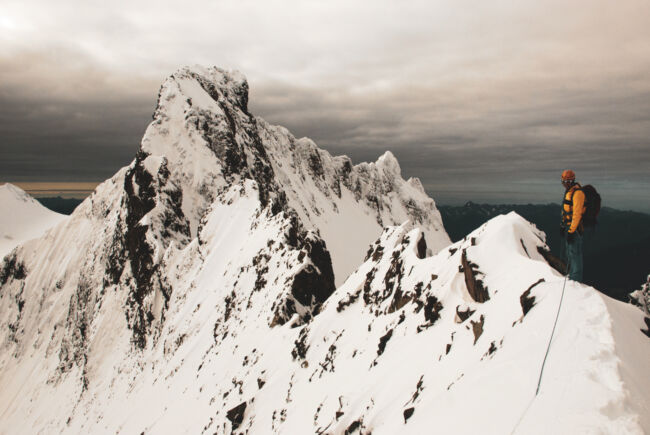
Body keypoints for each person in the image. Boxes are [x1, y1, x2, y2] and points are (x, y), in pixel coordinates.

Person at [560, 169, 585, 282]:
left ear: (572, 180)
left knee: (575, 255)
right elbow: (565, 210)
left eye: (568, 181)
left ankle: (576, 281)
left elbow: (577, 214)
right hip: (569, 227)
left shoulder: (577, 193)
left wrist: (571, 231)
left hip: (575, 229)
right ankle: (571, 276)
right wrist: (562, 224)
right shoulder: (569, 192)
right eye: (564, 181)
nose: (565, 184)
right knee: (570, 253)